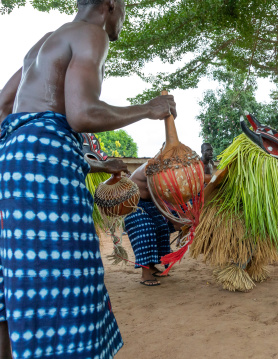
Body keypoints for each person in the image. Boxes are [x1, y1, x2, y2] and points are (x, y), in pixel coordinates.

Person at [0, 0, 177, 356]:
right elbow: (81, 115)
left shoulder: (45, 42)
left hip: (13, 161)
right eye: (125, 10)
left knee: (21, 275)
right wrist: (148, 109)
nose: (122, 21)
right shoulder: (90, 33)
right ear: (111, 5)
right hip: (44, 169)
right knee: (67, 277)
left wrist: (92, 164)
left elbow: (5, 108)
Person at [124, 163, 178, 286]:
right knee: (146, 229)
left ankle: (152, 267)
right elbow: (157, 197)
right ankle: (145, 274)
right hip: (134, 204)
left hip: (149, 204)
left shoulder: (167, 170)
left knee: (162, 228)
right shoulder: (152, 167)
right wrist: (174, 220)